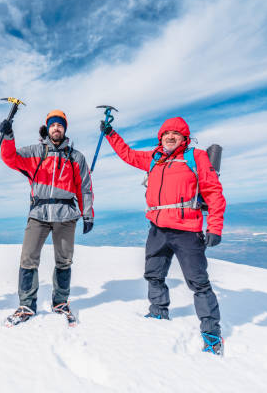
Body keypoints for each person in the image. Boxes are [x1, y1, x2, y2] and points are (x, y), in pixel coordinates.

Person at [101, 116, 226, 355]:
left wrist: (215, 227)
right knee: (153, 274)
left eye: (175, 134)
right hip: (157, 229)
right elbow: (127, 154)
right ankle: (158, 312)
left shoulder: (195, 157)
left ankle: (211, 334)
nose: (170, 137)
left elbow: (213, 191)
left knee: (199, 283)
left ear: (184, 138)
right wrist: (110, 133)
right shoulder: (154, 158)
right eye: (166, 133)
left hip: (187, 231)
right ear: (161, 137)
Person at [0, 110, 94, 327]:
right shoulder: (36, 152)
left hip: (66, 215)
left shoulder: (76, 157)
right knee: (28, 258)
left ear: (65, 129)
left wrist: (87, 214)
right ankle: (26, 304)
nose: (56, 128)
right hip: (38, 214)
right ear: (48, 128)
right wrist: (8, 136)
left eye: (60, 125)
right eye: (53, 125)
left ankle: (60, 302)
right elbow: (10, 158)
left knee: (64, 260)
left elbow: (85, 188)